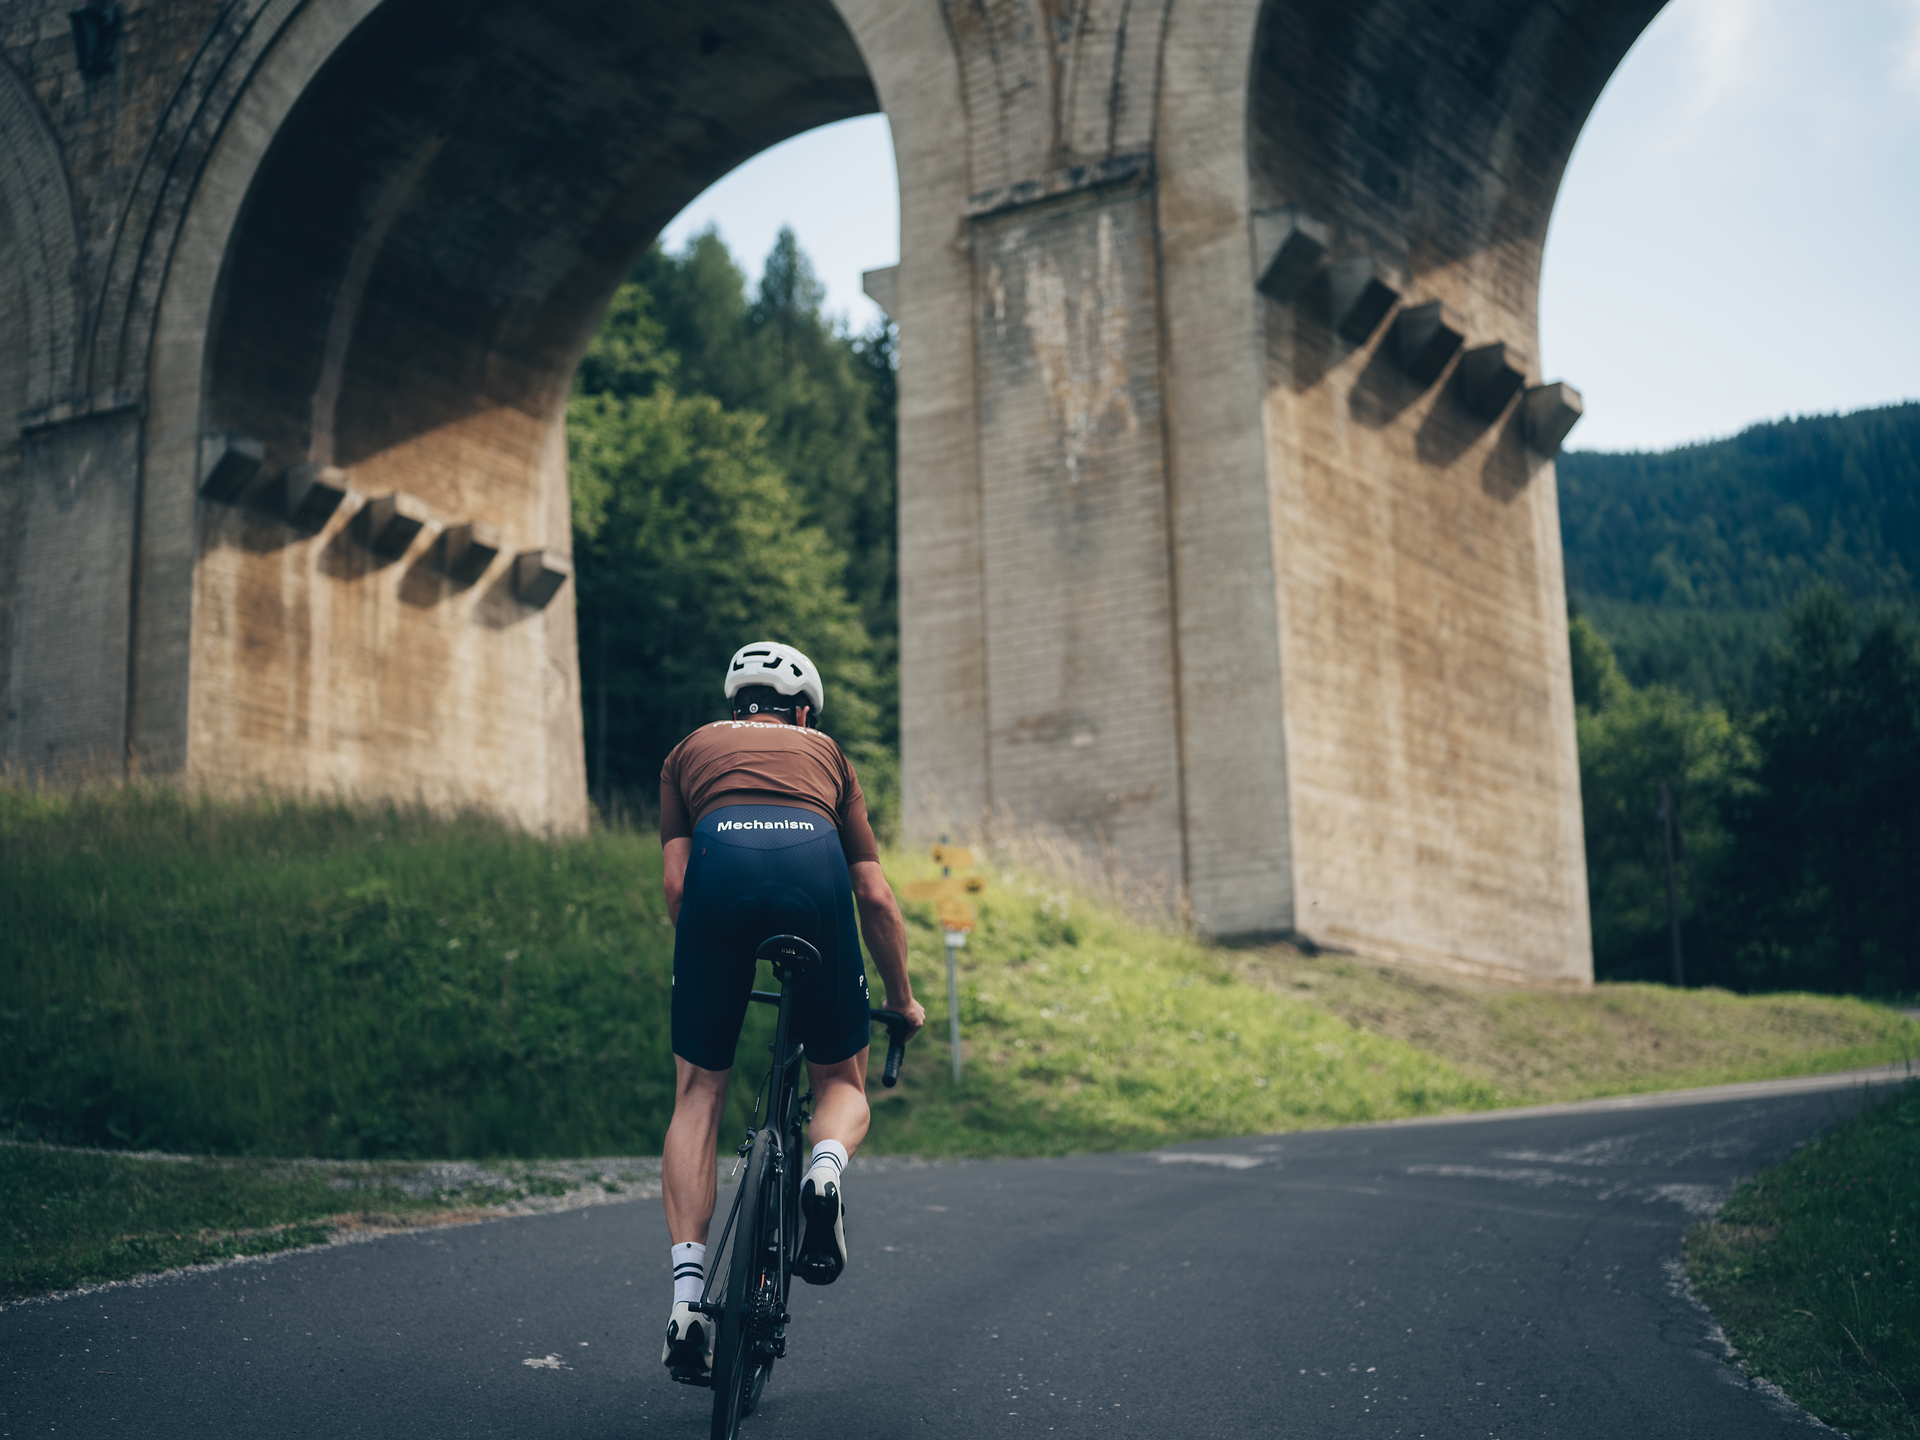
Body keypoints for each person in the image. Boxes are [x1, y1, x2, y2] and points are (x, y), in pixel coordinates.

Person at [657, 640, 926, 1378]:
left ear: (733, 706)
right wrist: (901, 999)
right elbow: (873, 895)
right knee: (841, 1080)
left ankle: (686, 1301)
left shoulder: (689, 750)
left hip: (718, 870)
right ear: (802, 709)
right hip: (813, 870)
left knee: (699, 1090)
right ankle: (825, 1171)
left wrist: (712, 960)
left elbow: (678, 888)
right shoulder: (826, 753)